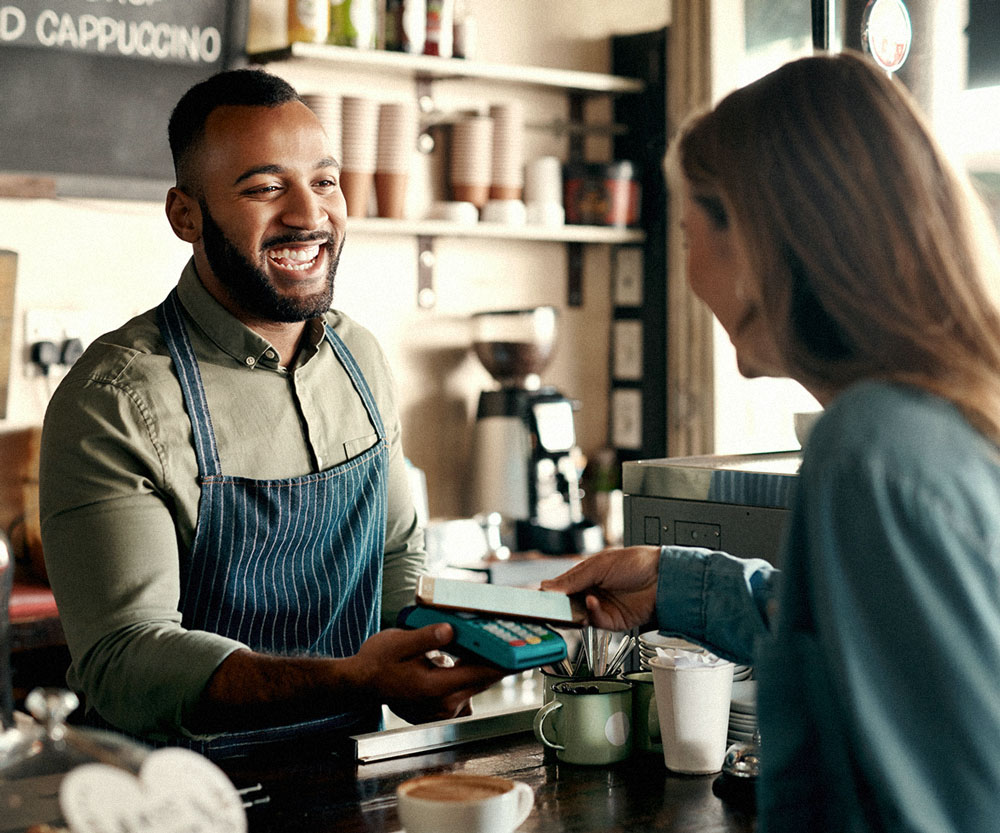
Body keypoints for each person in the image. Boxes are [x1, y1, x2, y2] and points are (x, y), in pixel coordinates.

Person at [543, 51, 1000, 833]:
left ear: (756, 244)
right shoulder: (944, 420)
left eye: (690, 234)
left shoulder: (870, 448)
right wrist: (674, 583)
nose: (688, 272)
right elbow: (886, 658)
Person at [38, 68, 504, 759]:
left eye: (324, 181)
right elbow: (126, 660)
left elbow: (396, 552)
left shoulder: (361, 358)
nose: (308, 215)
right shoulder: (116, 399)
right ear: (184, 214)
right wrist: (351, 678)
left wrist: (433, 646)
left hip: (349, 772)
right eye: (265, 187)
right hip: (174, 798)